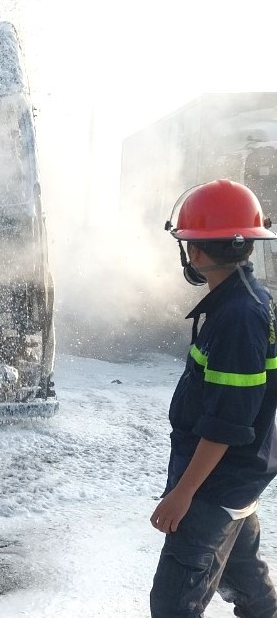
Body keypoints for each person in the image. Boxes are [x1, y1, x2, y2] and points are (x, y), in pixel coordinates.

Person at [151, 179, 277, 617]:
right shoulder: (246, 301)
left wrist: (183, 494)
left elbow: (227, 422)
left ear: (198, 253)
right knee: (250, 590)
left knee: (173, 605)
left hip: (213, 488)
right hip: (236, 482)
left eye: (187, 244)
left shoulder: (237, 317)